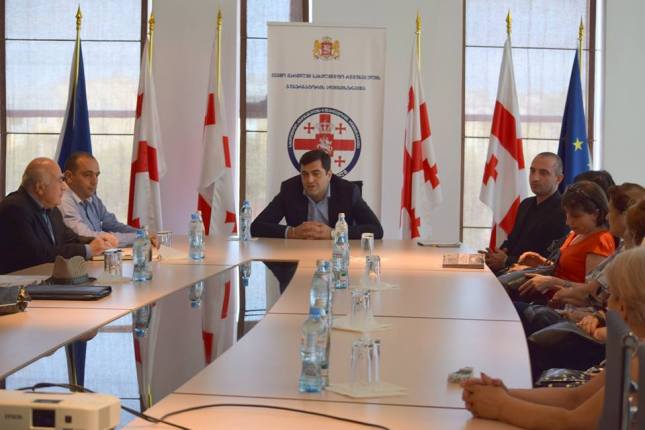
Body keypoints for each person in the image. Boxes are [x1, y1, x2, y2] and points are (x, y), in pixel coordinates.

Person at [462, 247, 645, 429]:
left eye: (611, 295)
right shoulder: (634, 351)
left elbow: (575, 423)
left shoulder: (638, 362)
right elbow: (575, 397)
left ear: (623, 306)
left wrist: (501, 406)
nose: (606, 304)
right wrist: (505, 394)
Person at [0, 157, 111, 274]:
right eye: (60, 180)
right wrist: (87, 249)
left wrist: (99, 241)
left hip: (45, 279)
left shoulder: (52, 209)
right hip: (20, 282)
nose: (64, 187)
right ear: (40, 187)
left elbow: (71, 238)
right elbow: (38, 255)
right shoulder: (14, 209)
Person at [251, 149, 383, 239]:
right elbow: (257, 227)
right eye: (304, 174)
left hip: (337, 255)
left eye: (316, 173)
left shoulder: (348, 191)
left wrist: (334, 233)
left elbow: (376, 230)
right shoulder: (289, 189)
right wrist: (292, 232)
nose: (309, 180)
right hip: (298, 254)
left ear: (329, 175)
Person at [512, 180, 615, 284]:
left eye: (575, 216)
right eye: (567, 214)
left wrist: (552, 282)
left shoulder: (601, 242)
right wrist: (542, 263)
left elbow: (591, 290)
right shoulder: (578, 232)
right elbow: (568, 271)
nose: (568, 222)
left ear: (596, 214)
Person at [484, 153, 569, 273]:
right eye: (532, 171)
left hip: (533, 278)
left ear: (558, 179)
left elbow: (549, 260)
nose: (535, 178)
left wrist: (507, 260)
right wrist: (496, 255)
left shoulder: (564, 211)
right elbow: (512, 240)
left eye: (543, 173)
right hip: (508, 272)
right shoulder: (526, 204)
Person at [59, 152, 140, 247]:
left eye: (96, 175)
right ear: (69, 177)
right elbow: (87, 237)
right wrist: (138, 237)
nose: (94, 182)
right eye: (87, 175)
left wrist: (142, 234)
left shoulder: (92, 198)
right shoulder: (63, 200)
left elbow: (113, 225)